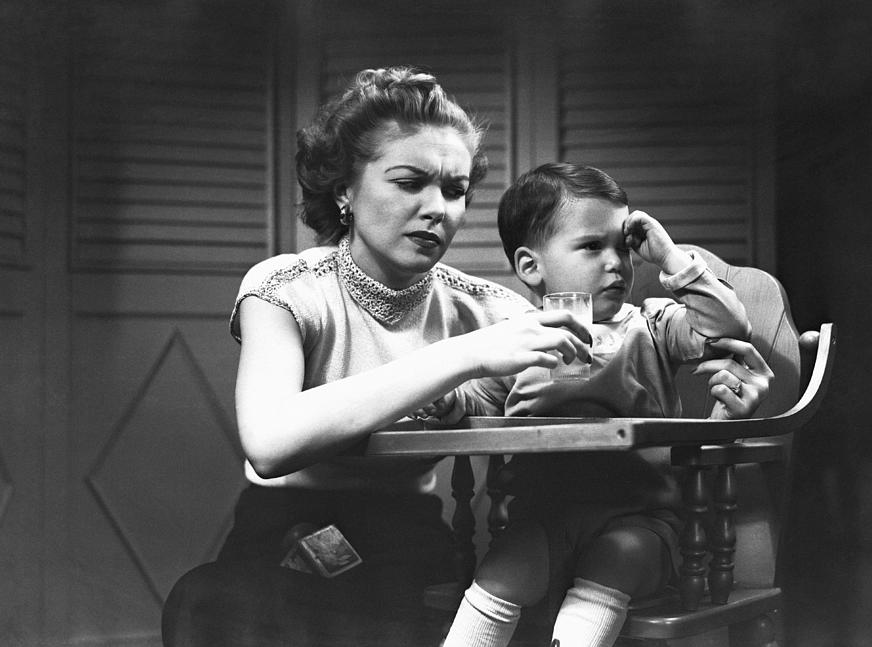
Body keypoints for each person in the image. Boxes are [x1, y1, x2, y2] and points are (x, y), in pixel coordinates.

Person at [159, 67, 596, 647]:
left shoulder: (486, 309)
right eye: (409, 182)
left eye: (455, 189)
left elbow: (597, 380)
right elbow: (268, 445)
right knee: (210, 608)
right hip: (282, 536)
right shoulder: (286, 287)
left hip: (409, 544)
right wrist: (463, 357)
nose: (438, 208)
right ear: (344, 189)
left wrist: (713, 357)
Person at [436, 163, 773, 647]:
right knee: (503, 569)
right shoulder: (518, 344)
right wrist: (448, 403)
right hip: (544, 521)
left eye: (624, 246)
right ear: (531, 267)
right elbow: (478, 403)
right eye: (594, 246)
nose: (617, 262)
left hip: (641, 520)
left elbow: (727, 327)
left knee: (618, 556)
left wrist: (669, 257)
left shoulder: (654, 326)